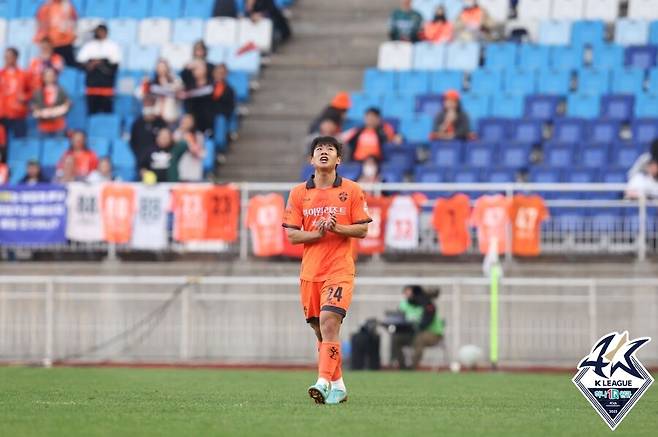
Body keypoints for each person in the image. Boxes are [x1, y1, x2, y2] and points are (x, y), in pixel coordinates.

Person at [282, 136, 372, 405]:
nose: (324, 152)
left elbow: (363, 229)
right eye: (319, 149)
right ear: (311, 159)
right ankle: (339, 386)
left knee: (329, 322)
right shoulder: (299, 193)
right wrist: (317, 232)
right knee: (321, 332)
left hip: (340, 269)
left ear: (338, 160)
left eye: (330, 149)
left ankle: (321, 383)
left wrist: (337, 228)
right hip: (310, 273)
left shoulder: (352, 190)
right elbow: (293, 237)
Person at [391, 285, 444, 370]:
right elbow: (399, 319)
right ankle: (402, 367)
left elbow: (425, 323)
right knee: (396, 339)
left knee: (420, 338)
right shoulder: (404, 304)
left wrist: (415, 327)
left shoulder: (428, 305)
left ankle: (412, 367)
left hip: (433, 333)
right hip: (412, 333)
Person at [76, 24, 121, 114]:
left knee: (107, 113)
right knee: (92, 112)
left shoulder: (112, 46)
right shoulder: (89, 46)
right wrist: (91, 64)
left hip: (106, 86)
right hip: (92, 85)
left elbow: (114, 65)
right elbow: (80, 62)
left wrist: (101, 63)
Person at [137, 59, 183, 125]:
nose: (162, 70)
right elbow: (140, 94)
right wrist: (145, 84)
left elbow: (178, 91)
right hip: (156, 116)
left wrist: (165, 83)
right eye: (159, 67)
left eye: (164, 67)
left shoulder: (176, 80)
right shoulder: (152, 82)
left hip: (171, 116)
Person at [130, 96, 168, 172]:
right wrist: (139, 156)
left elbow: (166, 140)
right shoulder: (137, 123)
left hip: (158, 160)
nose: (149, 107)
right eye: (147, 104)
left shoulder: (161, 122)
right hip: (142, 159)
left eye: (151, 104)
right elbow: (133, 142)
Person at [34, 0, 78, 67]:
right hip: (51, 43)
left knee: (70, 67)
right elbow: (41, 23)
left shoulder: (67, 5)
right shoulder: (46, 6)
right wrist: (43, 39)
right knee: (49, 67)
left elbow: (74, 20)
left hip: (66, 42)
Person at [0, 48, 31, 140]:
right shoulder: (1, 74)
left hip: (18, 113)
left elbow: (31, 92)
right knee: (2, 144)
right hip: (2, 114)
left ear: (16, 58)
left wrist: (25, 97)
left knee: (20, 142)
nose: (7, 59)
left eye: (9, 57)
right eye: (5, 57)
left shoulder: (24, 74)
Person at [31, 67, 71, 136]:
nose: (49, 78)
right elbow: (34, 106)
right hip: (43, 125)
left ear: (55, 77)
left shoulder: (62, 90)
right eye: (47, 76)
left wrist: (59, 110)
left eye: (51, 75)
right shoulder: (37, 92)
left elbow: (68, 103)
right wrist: (40, 112)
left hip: (59, 124)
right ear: (43, 77)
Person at [180, 60, 214, 134]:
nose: (195, 71)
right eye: (194, 69)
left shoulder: (211, 83)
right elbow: (183, 75)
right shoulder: (190, 84)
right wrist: (187, 67)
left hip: (206, 119)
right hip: (191, 118)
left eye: (198, 68)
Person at [173, 114, 206, 182]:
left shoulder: (198, 135)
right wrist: (183, 132)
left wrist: (190, 140)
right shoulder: (177, 133)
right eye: (184, 121)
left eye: (188, 121)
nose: (186, 123)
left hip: (194, 170)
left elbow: (199, 152)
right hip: (181, 169)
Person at [210, 64, 236, 130]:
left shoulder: (230, 90)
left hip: (220, 115)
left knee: (220, 120)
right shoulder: (207, 87)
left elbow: (230, 107)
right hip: (206, 114)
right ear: (213, 73)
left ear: (226, 74)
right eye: (218, 73)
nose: (220, 75)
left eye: (222, 73)